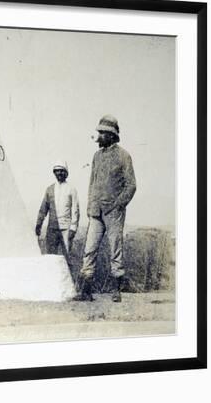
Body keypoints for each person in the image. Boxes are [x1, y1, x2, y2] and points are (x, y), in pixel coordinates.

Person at [74, 115, 136, 302]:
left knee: (115, 249)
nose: (98, 137)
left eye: (101, 133)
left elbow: (131, 185)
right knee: (89, 249)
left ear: (111, 135)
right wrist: (90, 206)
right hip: (95, 212)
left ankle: (116, 291)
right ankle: (86, 292)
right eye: (99, 132)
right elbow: (92, 183)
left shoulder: (124, 156)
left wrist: (118, 205)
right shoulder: (96, 156)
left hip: (113, 212)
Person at [35, 161, 80, 275]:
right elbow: (43, 209)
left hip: (66, 229)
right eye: (57, 171)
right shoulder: (49, 189)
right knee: (50, 258)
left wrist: (73, 229)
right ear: (54, 172)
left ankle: (70, 285)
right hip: (52, 229)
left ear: (66, 172)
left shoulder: (71, 189)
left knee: (66, 258)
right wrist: (38, 224)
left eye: (62, 171)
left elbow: (75, 210)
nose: (59, 173)